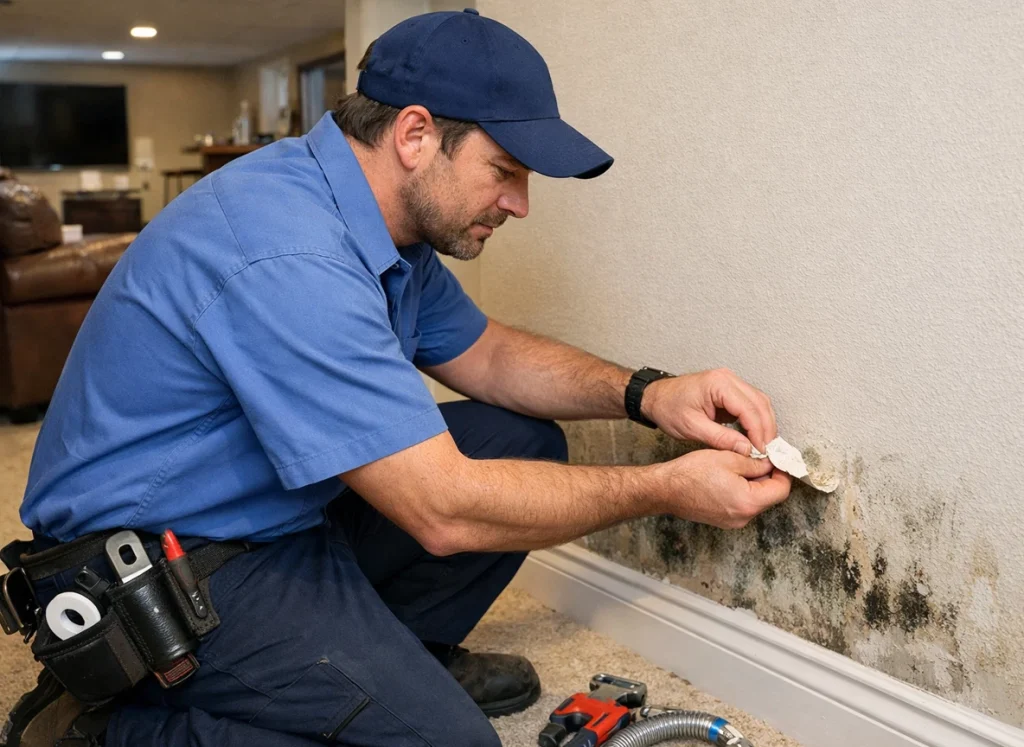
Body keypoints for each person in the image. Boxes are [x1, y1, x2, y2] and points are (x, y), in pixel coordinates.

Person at [2, 9, 791, 747]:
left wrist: (650, 393)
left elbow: (488, 357)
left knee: (518, 438)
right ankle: (99, 722)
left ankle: (401, 656)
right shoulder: (290, 251)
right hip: (162, 567)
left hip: (272, 515)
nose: (518, 204)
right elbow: (443, 509)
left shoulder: (387, 229)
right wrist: (663, 486)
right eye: (505, 171)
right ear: (416, 134)